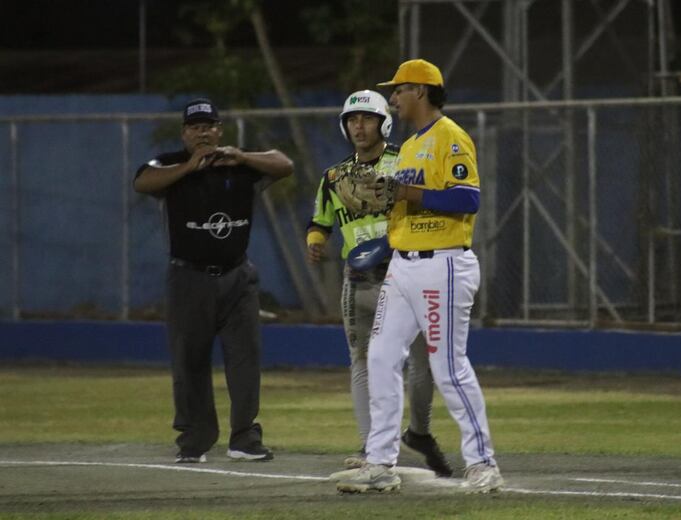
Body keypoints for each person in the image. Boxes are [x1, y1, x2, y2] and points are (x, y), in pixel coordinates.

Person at [336, 60, 503, 494]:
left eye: (399, 90)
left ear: (422, 92)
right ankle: (379, 462)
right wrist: (380, 202)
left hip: (442, 263)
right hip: (403, 265)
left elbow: (468, 199)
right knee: (380, 357)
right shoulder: (409, 147)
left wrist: (404, 192)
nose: (393, 98)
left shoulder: (450, 136)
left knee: (448, 366)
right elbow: (403, 203)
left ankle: (482, 463)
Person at [134, 98, 293, 463]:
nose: (202, 133)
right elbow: (142, 181)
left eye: (208, 126)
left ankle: (245, 438)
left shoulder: (238, 164)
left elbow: (284, 164)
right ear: (184, 133)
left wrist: (242, 157)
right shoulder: (171, 163)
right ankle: (195, 440)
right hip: (189, 277)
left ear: (220, 130)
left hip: (237, 276)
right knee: (190, 360)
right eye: (195, 127)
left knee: (245, 359)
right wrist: (189, 167)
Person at [307, 90, 452, 476]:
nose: (359, 126)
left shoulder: (405, 160)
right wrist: (315, 242)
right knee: (361, 361)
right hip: (358, 280)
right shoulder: (333, 176)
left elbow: (425, 202)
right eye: (352, 120)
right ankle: (370, 444)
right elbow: (320, 221)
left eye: (367, 119)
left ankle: (419, 431)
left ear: (383, 123)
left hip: (402, 274)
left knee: (423, 361)